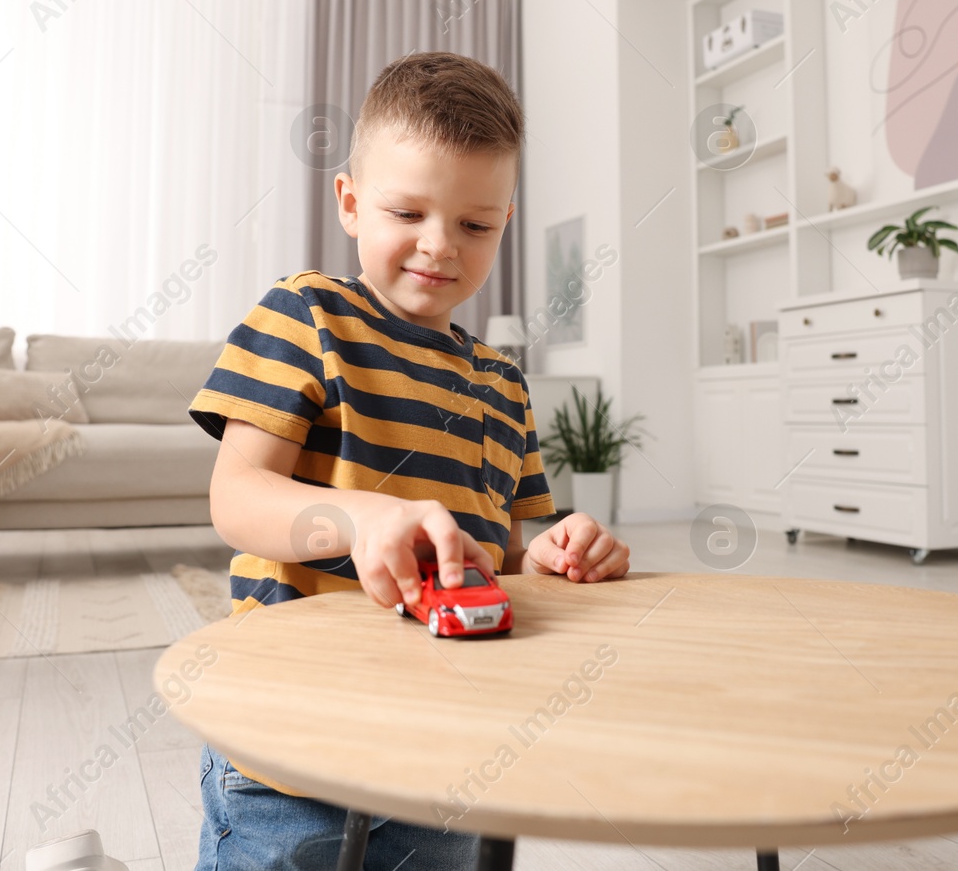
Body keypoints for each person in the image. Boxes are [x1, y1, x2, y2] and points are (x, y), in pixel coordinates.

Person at [186, 51, 632, 871]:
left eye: (475, 223)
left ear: (504, 222)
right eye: (408, 212)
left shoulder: (503, 384)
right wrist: (361, 515)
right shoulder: (305, 316)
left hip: (447, 745)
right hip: (292, 750)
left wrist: (551, 552)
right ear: (352, 204)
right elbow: (236, 497)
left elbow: (499, 551)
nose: (440, 246)